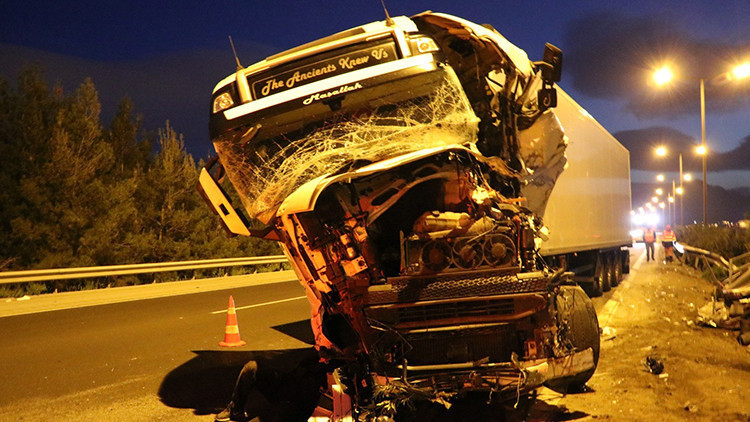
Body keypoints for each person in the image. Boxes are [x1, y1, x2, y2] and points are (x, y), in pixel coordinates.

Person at [215, 348, 328, 422]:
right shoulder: (310, 350)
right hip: (285, 384)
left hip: (296, 402)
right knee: (251, 367)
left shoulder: (323, 361)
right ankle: (235, 410)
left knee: (273, 416)